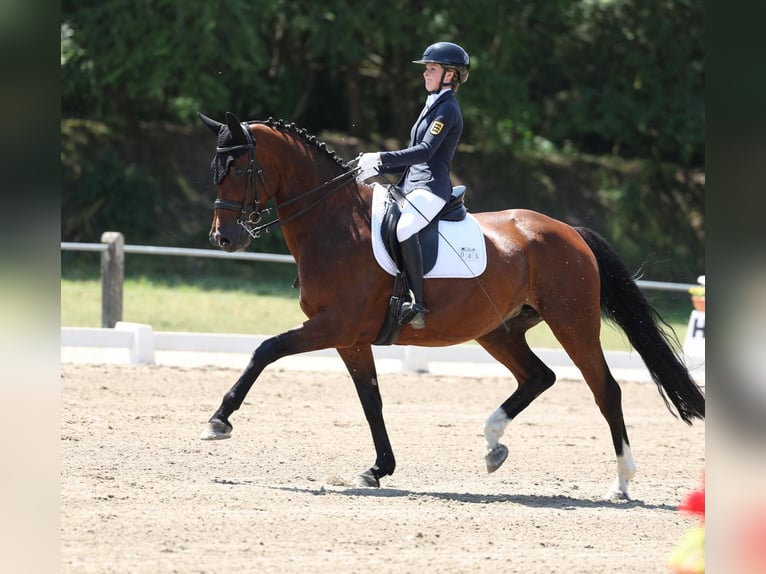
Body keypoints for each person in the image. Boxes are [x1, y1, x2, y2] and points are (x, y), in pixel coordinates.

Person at [356, 41, 470, 329]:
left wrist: (381, 158)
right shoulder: (432, 104)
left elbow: (424, 152)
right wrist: (375, 170)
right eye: (426, 69)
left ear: (450, 75)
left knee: (405, 227)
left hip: (431, 188)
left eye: (432, 69)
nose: (425, 73)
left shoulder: (448, 110)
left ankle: (416, 303)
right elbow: (411, 155)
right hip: (411, 184)